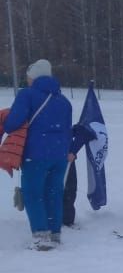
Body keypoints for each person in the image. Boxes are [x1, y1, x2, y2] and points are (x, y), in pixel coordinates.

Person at [1, 59, 72, 250]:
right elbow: (67, 130)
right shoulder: (64, 101)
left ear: (33, 77)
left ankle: (41, 237)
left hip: (35, 154)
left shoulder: (27, 95)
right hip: (59, 155)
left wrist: (8, 116)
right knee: (53, 194)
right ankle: (54, 234)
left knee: (33, 195)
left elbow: (12, 124)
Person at [63, 120, 98, 227]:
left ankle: (66, 220)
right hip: (52, 156)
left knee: (69, 190)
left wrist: (73, 150)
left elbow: (85, 133)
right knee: (59, 190)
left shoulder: (61, 110)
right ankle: (55, 220)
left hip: (65, 156)